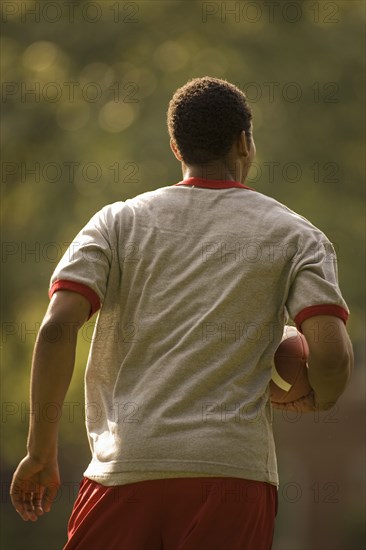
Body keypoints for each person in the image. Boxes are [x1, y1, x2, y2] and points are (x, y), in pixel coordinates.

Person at [10, 77, 353, 550]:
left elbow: (54, 330)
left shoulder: (116, 222)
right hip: (233, 475)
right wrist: (322, 397)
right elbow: (332, 358)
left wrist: (40, 452)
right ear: (244, 141)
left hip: (125, 469)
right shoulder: (297, 236)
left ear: (176, 147)